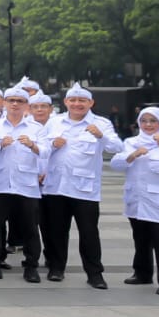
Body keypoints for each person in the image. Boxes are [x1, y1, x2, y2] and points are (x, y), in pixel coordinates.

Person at [41, 84, 123, 288]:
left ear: (90, 103)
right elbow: (41, 148)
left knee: (89, 233)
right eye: (73, 100)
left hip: (84, 189)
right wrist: (52, 145)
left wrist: (100, 136)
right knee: (57, 231)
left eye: (82, 101)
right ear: (66, 102)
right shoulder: (54, 122)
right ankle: (56, 269)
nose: (77, 104)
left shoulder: (101, 123)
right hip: (56, 186)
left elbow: (118, 147)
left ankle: (95, 274)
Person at [110, 106, 159, 295]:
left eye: (153, 121)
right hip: (137, 200)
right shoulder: (131, 142)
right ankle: (142, 273)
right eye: (144, 121)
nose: (148, 125)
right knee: (141, 239)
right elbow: (116, 164)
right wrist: (133, 155)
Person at [0, 86, 46, 283]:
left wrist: (32, 145)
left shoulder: (36, 128)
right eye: (11, 100)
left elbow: (46, 153)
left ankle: (31, 266)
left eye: (19, 101)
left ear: (26, 105)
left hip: (25, 183)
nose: (14, 104)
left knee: (30, 227)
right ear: (4, 103)